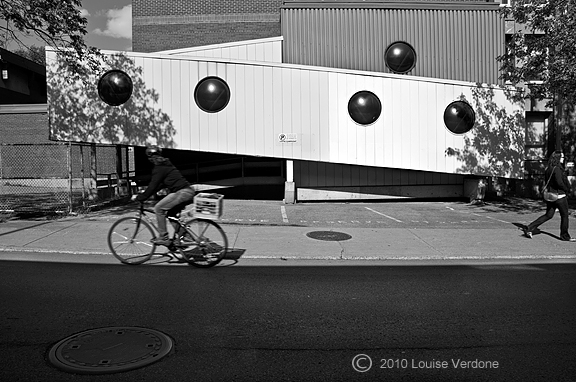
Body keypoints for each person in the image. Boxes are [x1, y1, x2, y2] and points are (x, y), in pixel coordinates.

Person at [132, 146, 196, 246]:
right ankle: (185, 237)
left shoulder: (159, 168)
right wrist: (145, 194)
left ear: (151, 157)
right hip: (186, 192)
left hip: (182, 193)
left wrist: (140, 197)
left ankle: (163, 237)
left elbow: (153, 185)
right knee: (171, 214)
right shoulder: (165, 165)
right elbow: (159, 185)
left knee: (158, 208)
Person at [524, 151, 575, 241]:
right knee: (564, 216)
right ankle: (564, 235)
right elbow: (559, 182)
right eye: (562, 157)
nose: (563, 159)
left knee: (548, 215)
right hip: (560, 195)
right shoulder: (557, 169)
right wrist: (566, 188)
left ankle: (530, 227)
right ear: (558, 158)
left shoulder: (549, 168)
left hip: (551, 196)